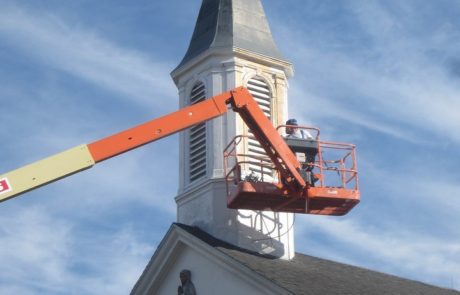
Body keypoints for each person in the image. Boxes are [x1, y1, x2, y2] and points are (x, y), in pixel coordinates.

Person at [284, 118, 318, 186]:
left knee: (304, 165)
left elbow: (312, 143)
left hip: (305, 155)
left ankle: (309, 176)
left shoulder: (303, 133)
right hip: (294, 157)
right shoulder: (288, 137)